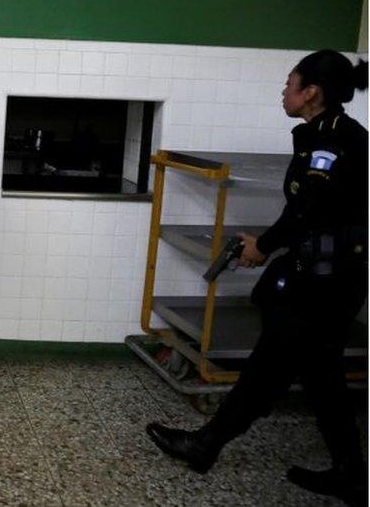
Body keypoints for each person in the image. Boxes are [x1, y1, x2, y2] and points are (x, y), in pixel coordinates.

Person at [145, 50, 368, 505]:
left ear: (312, 93)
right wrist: (267, 244)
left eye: (290, 84)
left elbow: (309, 211)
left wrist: (264, 247)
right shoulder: (330, 135)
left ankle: (206, 445)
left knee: (270, 368)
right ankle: (351, 472)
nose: (283, 92)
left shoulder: (331, 143)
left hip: (324, 285)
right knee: (322, 376)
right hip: (327, 277)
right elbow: (308, 214)